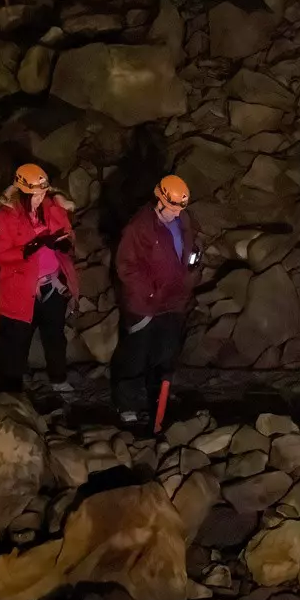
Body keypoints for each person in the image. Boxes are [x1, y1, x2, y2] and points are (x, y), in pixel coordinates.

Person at [111, 174, 199, 425]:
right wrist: (150, 292)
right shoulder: (139, 228)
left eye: (179, 208)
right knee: (136, 355)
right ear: (159, 200)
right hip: (145, 304)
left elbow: (186, 249)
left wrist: (189, 272)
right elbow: (126, 267)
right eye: (171, 208)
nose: (175, 213)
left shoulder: (183, 220)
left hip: (172, 301)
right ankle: (128, 405)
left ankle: (157, 400)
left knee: (165, 353)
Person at [0, 163, 79, 397]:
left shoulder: (50, 207)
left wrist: (65, 241)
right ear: (24, 193)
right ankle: (10, 389)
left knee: (55, 337)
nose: (40, 198)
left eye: (43, 193)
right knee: (15, 341)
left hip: (51, 286)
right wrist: (30, 248)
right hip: (20, 290)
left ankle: (58, 379)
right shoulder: (7, 216)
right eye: (36, 195)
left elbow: (67, 230)